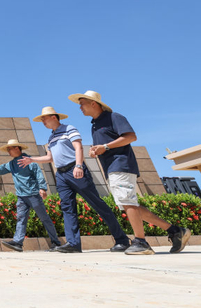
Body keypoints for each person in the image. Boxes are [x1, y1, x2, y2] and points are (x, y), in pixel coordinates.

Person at [69, 90, 191, 255]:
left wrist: (105, 146)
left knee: (128, 203)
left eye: (82, 104)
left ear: (93, 103)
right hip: (111, 168)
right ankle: (175, 231)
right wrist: (96, 150)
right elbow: (106, 146)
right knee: (129, 205)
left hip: (121, 164)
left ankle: (141, 242)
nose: (80, 107)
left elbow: (131, 137)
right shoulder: (95, 125)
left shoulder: (113, 117)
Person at [18, 106, 131, 253]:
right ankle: (73, 244)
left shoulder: (68, 129)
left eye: (44, 118)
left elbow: (78, 148)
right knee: (67, 208)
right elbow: (50, 158)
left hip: (75, 170)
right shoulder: (51, 138)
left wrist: (79, 165)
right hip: (61, 175)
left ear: (54, 117)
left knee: (97, 204)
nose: (43, 122)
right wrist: (31, 159)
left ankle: (122, 240)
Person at [0, 139, 62, 252]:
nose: (8, 152)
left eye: (9, 149)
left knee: (44, 218)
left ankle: (55, 242)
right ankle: (18, 243)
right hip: (21, 197)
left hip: (33, 195)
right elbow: (1, 169)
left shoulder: (30, 161)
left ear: (17, 148)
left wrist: (42, 188)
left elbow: (38, 174)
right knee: (21, 219)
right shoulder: (11, 164)